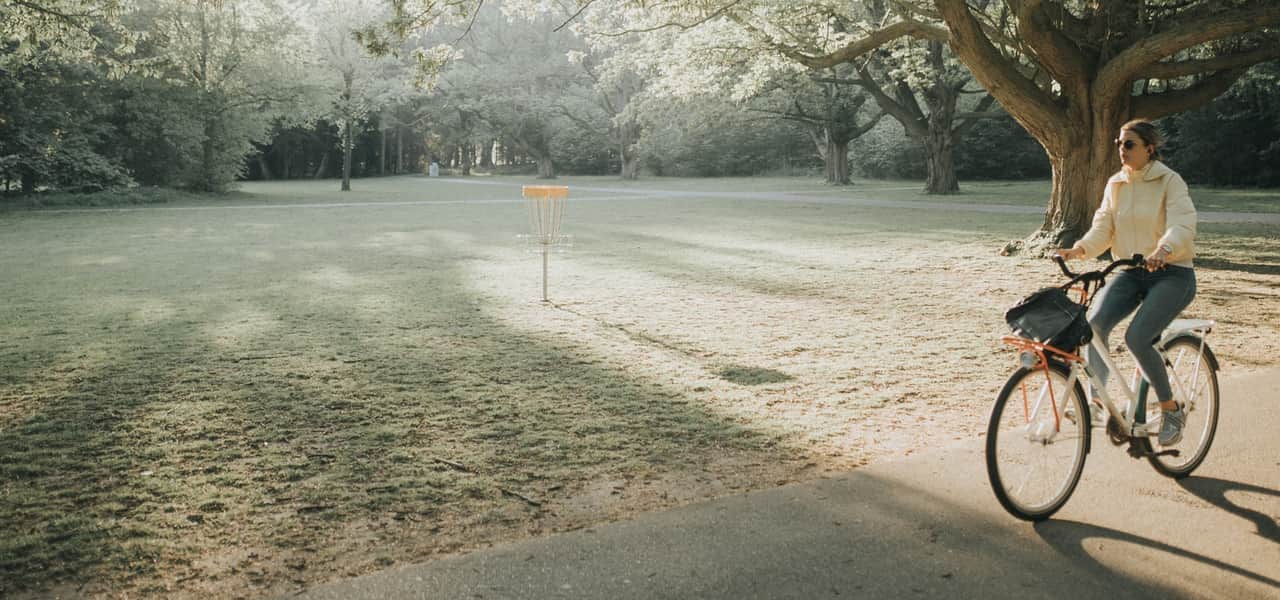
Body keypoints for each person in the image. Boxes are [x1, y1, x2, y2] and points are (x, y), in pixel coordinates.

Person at [1055, 119, 1197, 446]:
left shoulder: (1169, 181)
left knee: (1138, 337)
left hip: (1173, 274)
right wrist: (1079, 250)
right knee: (1093, 326)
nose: (1122, 149)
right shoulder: (1116, 183)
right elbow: (1103, 228)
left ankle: (1170, 408)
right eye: (1119, 143)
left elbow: (1183, 223)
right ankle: (1097, 404)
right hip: (1131, 272)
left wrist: (1164, 249)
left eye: (1129, 144)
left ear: (1149, 147)